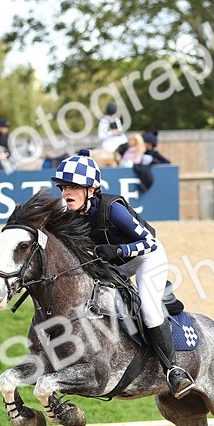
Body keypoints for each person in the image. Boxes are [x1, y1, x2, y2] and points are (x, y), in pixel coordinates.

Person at [50, 148, 196, 398]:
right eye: (63, 188)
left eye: (72, 187)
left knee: (149, 308)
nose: (66, 193)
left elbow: (150, 241)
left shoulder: (113, 208)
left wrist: (117, 249)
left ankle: (174, 371)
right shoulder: (70, 215)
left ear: (91, 189)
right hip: (115, 263)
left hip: (146, 258)